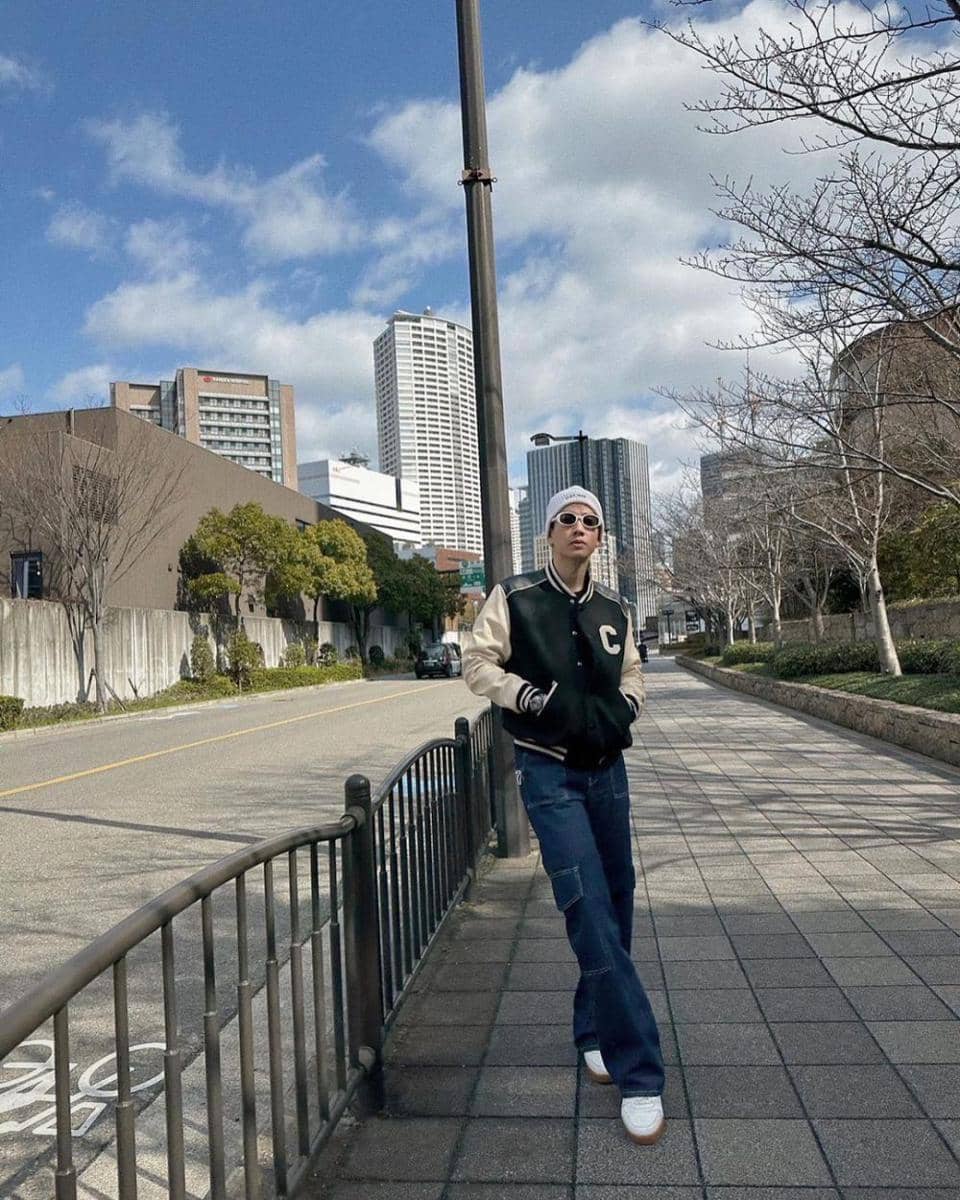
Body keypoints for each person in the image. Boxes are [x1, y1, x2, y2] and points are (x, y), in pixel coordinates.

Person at [463, 486, 665, 1145]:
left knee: (616, 902)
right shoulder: (516, 596)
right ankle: (641, 1074)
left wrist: (625, 709)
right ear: (549, 531)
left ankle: (593, 1029)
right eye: (567, 519)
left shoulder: (614, 608)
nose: (579, 527)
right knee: (587, 906)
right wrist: (524, 695)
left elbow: (633, 673)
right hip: (548, 772)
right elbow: (476, 661)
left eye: (591, 521)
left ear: (600, 537)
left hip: (608, 770)